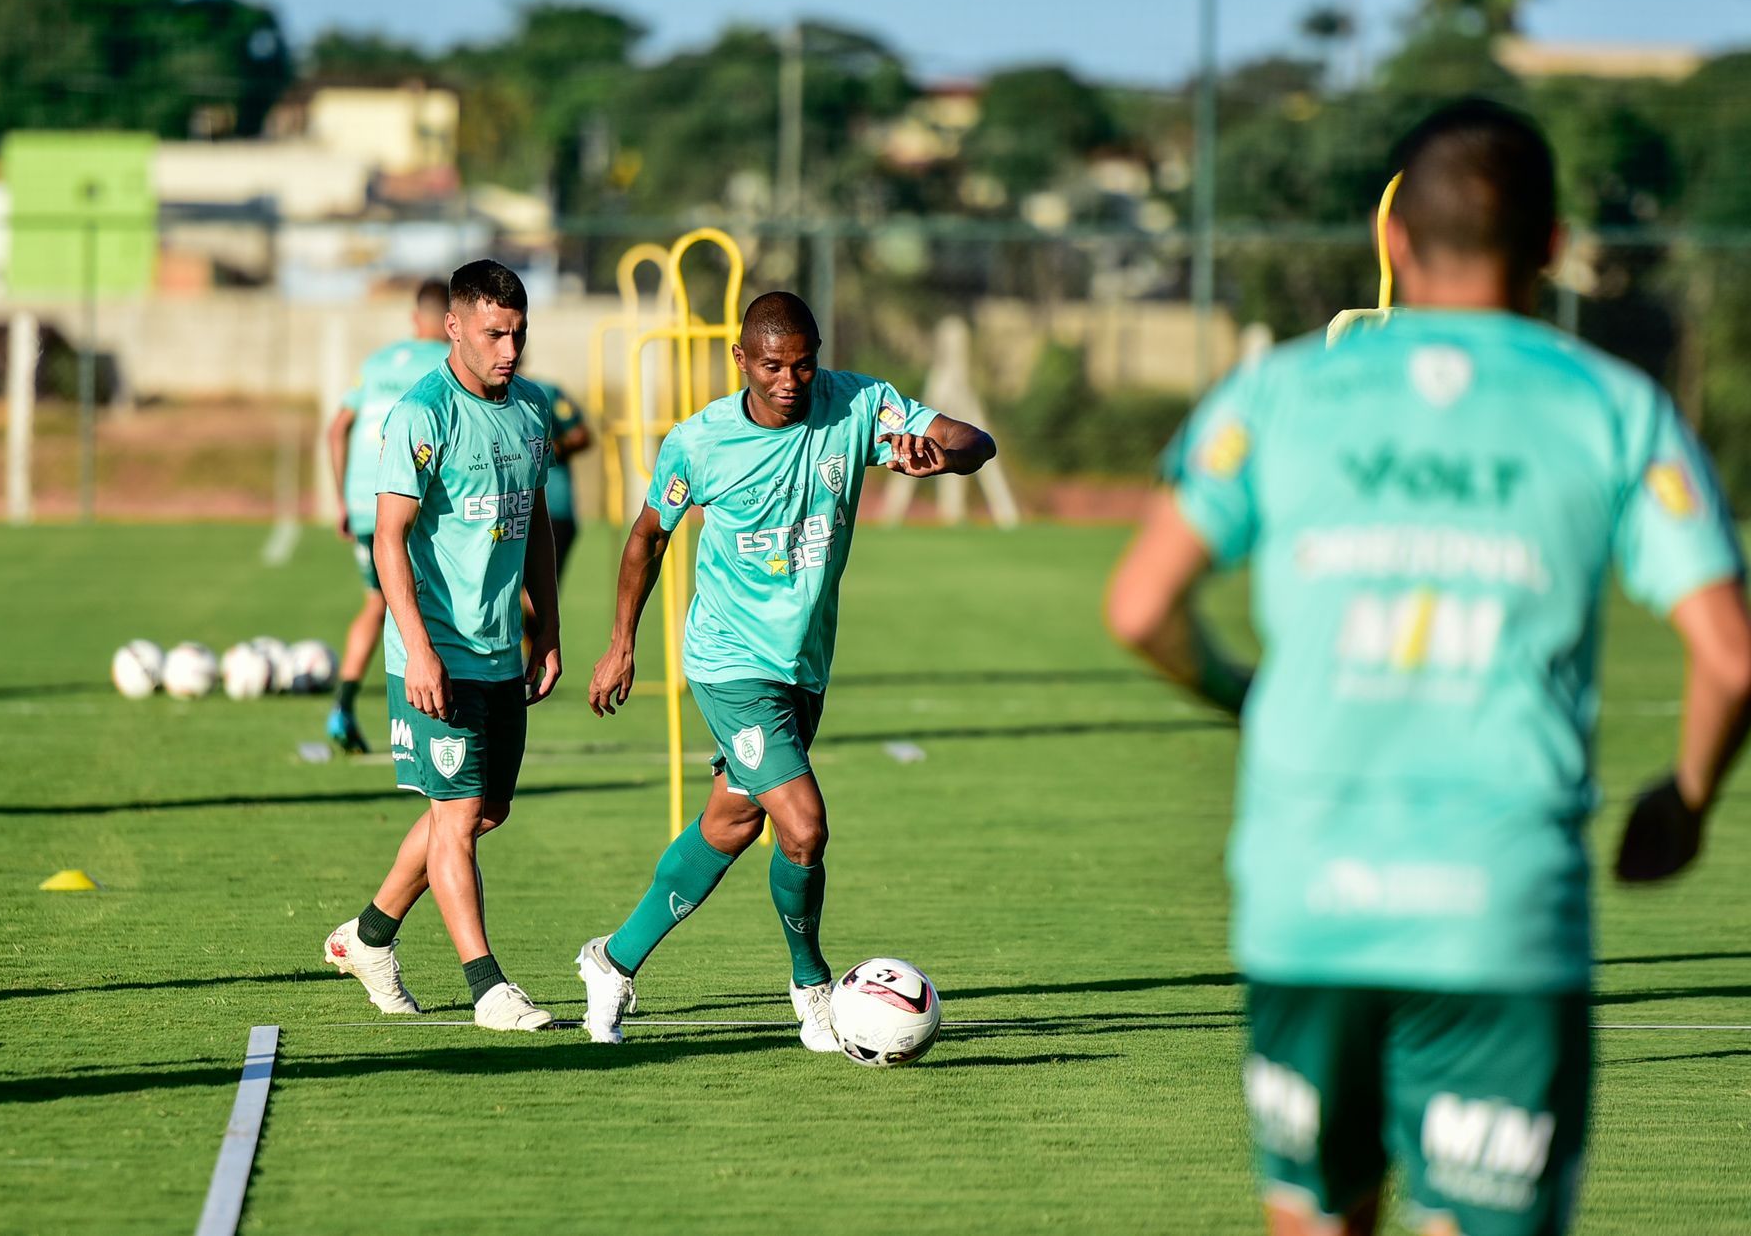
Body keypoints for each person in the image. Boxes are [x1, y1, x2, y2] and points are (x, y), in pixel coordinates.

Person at [1107, 99, 1751, 1236]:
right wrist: (1688, 801)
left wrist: (1244, 696)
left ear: (1394, 241)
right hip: (1500, 913)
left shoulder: (1285, 388)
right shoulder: (1613, 406)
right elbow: (1732, 660)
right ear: (1554, 248)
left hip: (1309, 902)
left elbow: (1141, 605)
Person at [577, 290, 996, 1049]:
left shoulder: (859, 405)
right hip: (730, 663)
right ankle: (813, 989)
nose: (790, 381)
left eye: (803, 364)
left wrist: (942, 456)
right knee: (802, 827)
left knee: (733, 821)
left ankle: (611, 960)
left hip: (801, 664)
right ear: (741, 359)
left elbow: (975, 440)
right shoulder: (699, 444)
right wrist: (621, 643)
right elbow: (646, 538)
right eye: (773, 365)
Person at [322, 259, 565, 1031]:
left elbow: (536, 529)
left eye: (519, 333)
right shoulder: (423, 412)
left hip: (499, 648)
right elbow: (390, 537)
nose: (510, 349)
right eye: (495, 333)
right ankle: (488, 987)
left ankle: (369, 936)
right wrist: (418, 648)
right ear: (452, 327)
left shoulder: (530, 410)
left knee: (484, 811)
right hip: (433, 653)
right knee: (456, 817)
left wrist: (549, 627)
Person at [324, 278, 452, 754]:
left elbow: (337, 428)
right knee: (423, 606)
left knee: (378, 603)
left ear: (414, 317)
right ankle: (430, 727)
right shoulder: (442, 367)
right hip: (408, 500)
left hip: (361, 503)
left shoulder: (377, 363)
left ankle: (343, 703)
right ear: (450, 322)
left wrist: (341, 498)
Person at [523, 382, 592, 645]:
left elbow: (582, 434)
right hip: (503, 511)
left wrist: (547, 449)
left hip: (554, 512)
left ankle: (534, 669)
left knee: (535, 598)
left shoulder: (544, 392)